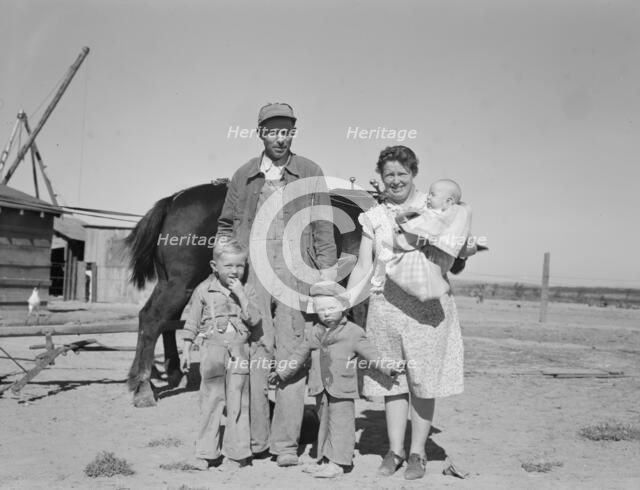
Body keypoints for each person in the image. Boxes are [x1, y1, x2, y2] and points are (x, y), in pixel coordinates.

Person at [217, 102, 337, 466]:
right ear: (261, 134)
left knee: (292, 356)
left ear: (292, 134)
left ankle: (286, 445)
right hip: (253, 275)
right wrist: (225, 270)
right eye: (272, 131)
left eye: (286, 131)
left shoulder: (310, 172)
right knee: (255, 354)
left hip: (295, 276)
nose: (280, 139)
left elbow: (322, 227)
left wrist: (326, 276)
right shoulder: (243, 176)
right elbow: (225, 226)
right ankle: (257, 441)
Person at [346, 145, 465, 481]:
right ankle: (395, 450)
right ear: (380, 180)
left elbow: (452, 254)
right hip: (385, 306)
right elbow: (364, 266)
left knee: (422, 382)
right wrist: (345, 300)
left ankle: (418, 453)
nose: (395, 180)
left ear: (414, 174)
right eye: (389, 175)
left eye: (402, 173)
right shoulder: (372, 217)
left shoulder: (436, 208)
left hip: (426, 308)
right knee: (391, 381)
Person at [269, 281, 404, 478]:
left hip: (342, 388)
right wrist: (282, 373)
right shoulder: (314, 331)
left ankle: (339, 462)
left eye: (331, 308)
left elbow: (371, 354)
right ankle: (325, 460)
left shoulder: (353, 332)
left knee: (341, 425)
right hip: (320, 387)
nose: (326, 313)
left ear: (343, 307)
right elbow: (299, 355)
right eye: (321, 309)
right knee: (323, 424)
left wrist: (388, 368)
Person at [181, 239, 261, 470]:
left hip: (238, 352)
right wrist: (186, 348)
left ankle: (237, 455)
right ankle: (206, 453)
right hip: (211, 351)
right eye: (229, 266)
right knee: (210, 401)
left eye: (240, 266)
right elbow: (193, 321)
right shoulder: (203, 290)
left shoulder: (248, 290)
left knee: (237, 402)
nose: (235, 271)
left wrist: (241, 295)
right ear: (214, 266)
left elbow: (255, 320)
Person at [391, 178, 473, 300]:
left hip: (430, 263)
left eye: (432, 195)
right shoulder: (455, 220)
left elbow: (413, 234)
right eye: (428, 194)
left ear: (448, 201)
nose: (427, 197)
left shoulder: (435, 216)